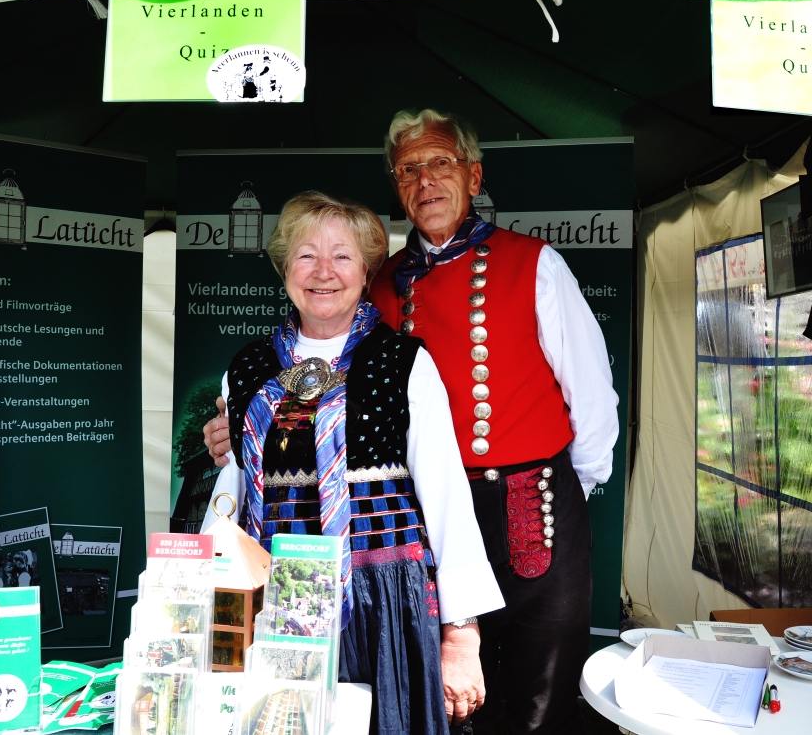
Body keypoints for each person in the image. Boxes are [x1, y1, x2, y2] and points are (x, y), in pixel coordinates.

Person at [204, 109, 619, 734]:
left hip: (531, 504)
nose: (425, 181)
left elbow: (590, 394)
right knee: (444, 706)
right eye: (408, 170)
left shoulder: (535, 264)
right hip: (415, 517)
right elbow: (320, 393)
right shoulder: (375, 282)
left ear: (474, 175)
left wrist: (569, 490)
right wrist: (236, 435)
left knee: (538, 694)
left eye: (440, 164)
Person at [200, 191, 504, 735]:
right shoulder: (246, 368)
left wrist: (461, 635)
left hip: (378, 601)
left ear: (366, 272)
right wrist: (208, 599)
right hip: (272, 595)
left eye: (341, 256)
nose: (323, 271)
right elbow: (233, 496)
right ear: (284, 268)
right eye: (305, 255)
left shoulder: (404, 362)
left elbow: (446, 497)